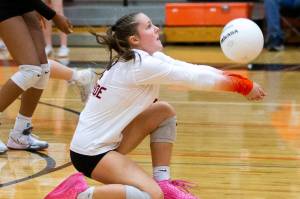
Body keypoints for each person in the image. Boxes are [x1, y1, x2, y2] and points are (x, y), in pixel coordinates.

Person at [45, 12, 266, 199]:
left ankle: (164, 182)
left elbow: (194, 70)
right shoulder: (141, 65)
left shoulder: (144, 59)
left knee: (164, 111)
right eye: (149, 27)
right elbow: (195, 79)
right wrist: (242, 86)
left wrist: (241, 82)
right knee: (150, 195)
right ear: (134, 39)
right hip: (91, 153)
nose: (157, 29)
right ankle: (77, 194)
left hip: (107, 142)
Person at [0, 0, 72, 154]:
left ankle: (20, 134)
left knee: (43, 70)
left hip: (25, 5)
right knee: (31, 70)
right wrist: (53, 15)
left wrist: (36, 6)